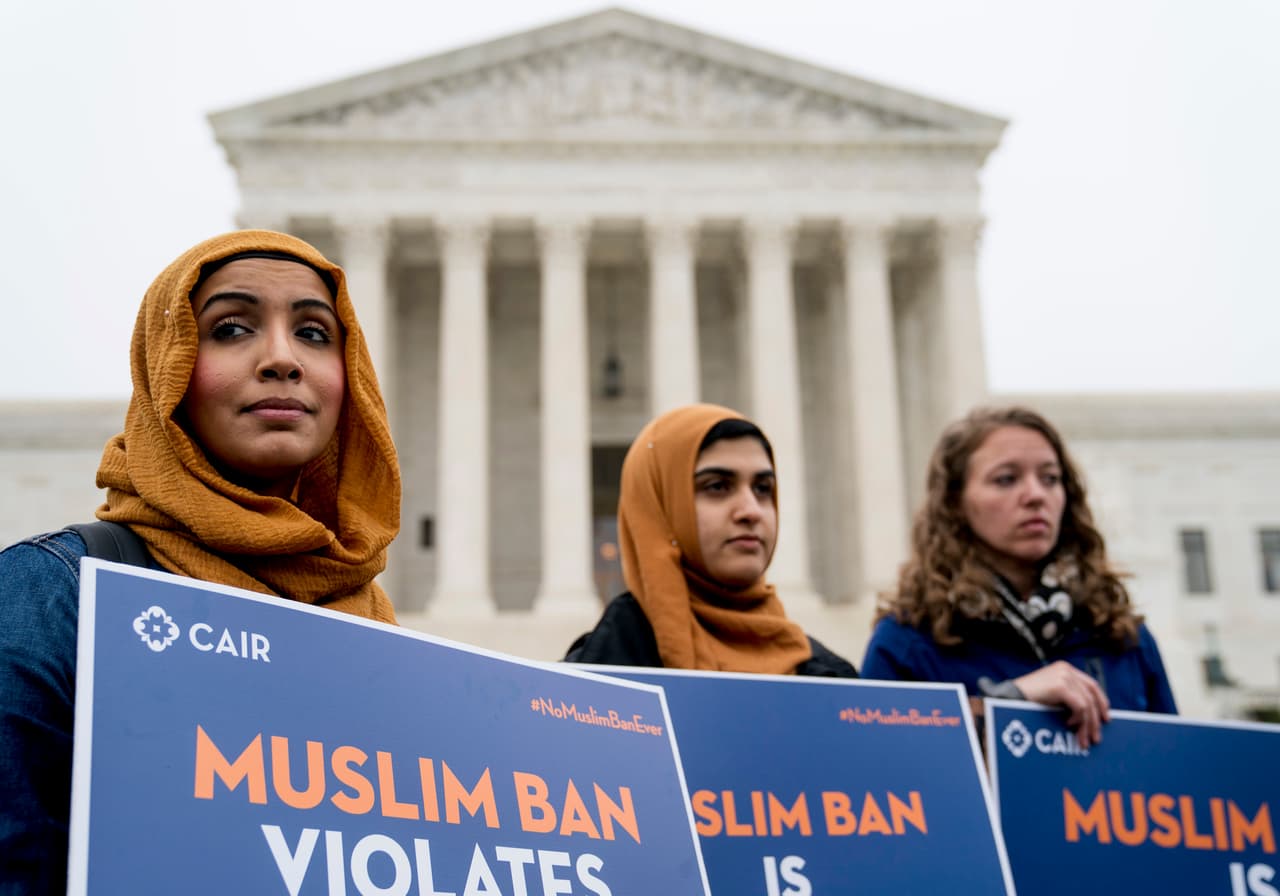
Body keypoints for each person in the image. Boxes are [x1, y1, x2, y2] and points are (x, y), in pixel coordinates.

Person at [0, 230, 401, 893]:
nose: (282, 359)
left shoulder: (369, 619)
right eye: (231, 328)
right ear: (169, 367)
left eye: (314, 334)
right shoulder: (50, 599)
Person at [861, 405, 1176, 747]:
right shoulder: (908, 641)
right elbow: (881, 762)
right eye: (1006, 479)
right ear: (955, 503)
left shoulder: (1122, 635)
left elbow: (1175, 765)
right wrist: (1010, 703)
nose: (1036, 495)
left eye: (1050, 479)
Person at [565, 403, 857, 677]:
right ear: (659, 508)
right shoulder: (583, 696)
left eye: (763, 488)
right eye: (717, 486)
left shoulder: (835, 684)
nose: (751, 511)